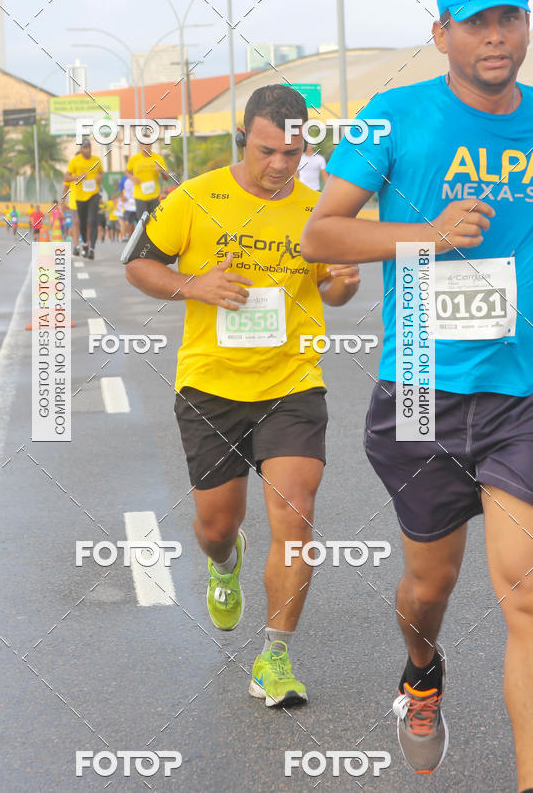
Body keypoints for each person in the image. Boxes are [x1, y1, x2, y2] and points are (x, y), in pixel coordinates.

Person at [301, 0, 533, 788]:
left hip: (522, 394)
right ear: (442, 35)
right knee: (429, 585)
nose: (495, 34)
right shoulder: (389, 118)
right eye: (475, 22)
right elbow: (320, 237)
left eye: (508, 18)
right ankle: (421, 675)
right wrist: (426, 233)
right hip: (423, 389)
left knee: (524, 598)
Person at [125, 85, 360, 708]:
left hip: (292, 383)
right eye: (266, 151)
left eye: (291, 151)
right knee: (216, 526)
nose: (279, 165)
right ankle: (224, 563)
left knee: (296, 514)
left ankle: (275, 658)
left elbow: (334, 297)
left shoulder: (319, 211)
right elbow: (139, 265)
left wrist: (340, 282)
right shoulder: (196, 197)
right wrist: (193, 284)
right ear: (243, 140)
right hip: (211, 385)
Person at [64, 138, 103, 260]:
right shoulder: (74, 164)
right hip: (77, 198)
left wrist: (98, 178)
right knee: (77, 222)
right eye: (85, 148)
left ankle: (90, 247)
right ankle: (77, 245)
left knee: (90, 223)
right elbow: (66, 182)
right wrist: (63, 201)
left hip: (91, 195)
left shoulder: (96, 160)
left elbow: (101, 173)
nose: (88, 150)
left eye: (89, 147)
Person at [125, 138, 167, 219]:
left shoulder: (158, 159)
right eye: (144, 144)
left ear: (151, 145)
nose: (146, 146)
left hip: (154, 197)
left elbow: (166, 177)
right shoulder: (134, 159)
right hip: (140, 197)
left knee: (154, 223)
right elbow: (126, 172)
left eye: (148, 144)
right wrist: (132, 177)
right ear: (140, 145)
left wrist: (161, 171)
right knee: (142, 223)